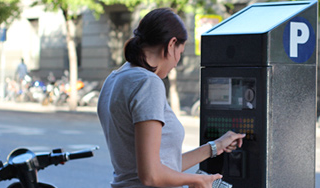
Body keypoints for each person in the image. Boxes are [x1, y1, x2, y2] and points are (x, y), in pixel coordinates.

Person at [97, 8, 245, 188]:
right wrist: (198, 180)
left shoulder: (114, 79)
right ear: (171, 44)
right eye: (180, 53)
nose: (176, 63)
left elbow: (164, 166)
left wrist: (215, 147)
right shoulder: (148, 83)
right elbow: (151, 176)